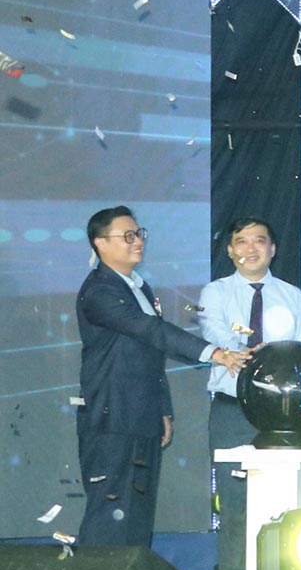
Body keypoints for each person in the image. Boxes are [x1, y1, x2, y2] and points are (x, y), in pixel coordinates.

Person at [75, 206, 245, 548]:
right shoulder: (100, 291)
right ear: (100, 244)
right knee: (109, 513)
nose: (137, 241)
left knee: (137, 514)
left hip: (142, 416)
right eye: (127, 236)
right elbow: (150, 330)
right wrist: (214, 352)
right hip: (112, 418)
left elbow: (151, 356)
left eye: (139, 234)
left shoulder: (138, 286)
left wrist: (162, 409)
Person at [196, 217, 301, 570]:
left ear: (273, 249)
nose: (250, 249)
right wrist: (257, 350)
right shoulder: (214, 293)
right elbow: (216, 334)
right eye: (241, 242)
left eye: (259, 241)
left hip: (284, 417)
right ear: (230, 250)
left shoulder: (292, 296)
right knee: (235, 500)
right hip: (233, 408)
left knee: (288, 498)